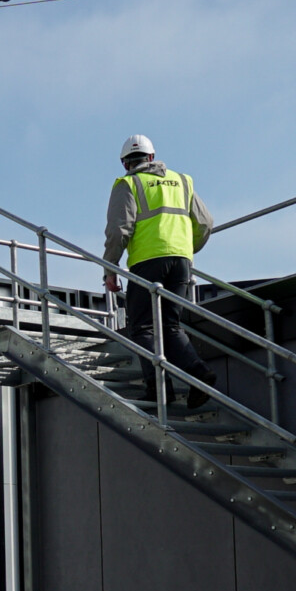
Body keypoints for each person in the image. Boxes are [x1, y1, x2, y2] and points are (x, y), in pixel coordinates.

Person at [102, 134, 216, 410]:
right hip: (180, 262)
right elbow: (205, 222)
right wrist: (186, 250)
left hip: (147, 262)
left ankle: (159, 390)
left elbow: (119, 230)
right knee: (170, 325)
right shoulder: (182, 181)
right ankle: (199, 375)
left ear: (124, 163)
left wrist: (110, 268)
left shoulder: (128, 183)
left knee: (142, 327)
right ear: (152, 157)